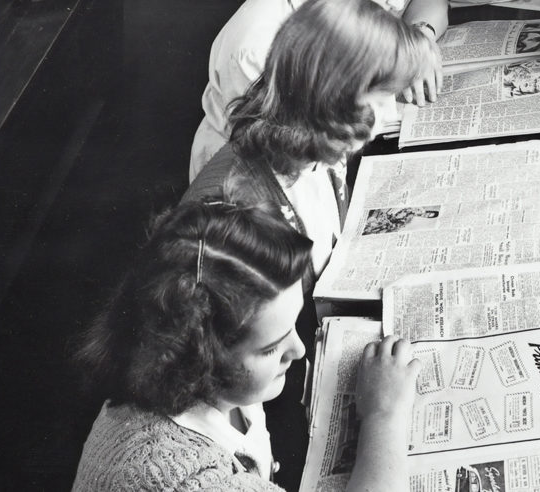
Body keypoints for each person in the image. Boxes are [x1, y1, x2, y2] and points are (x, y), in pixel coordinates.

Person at [71, 195, 421, 491]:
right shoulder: (182, 480)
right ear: (200, 360)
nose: (299, 351)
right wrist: (383, 415)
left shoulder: (176, 370)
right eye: (270, 348)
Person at [183, 0, 434, 293]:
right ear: (334, 98)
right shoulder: (247, 217)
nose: (389, 113)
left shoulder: (315, 141)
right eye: (380, 100)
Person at [189, 0, 449, 181]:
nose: (395, 1)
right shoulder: (257, 47)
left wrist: (418, 39)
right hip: (266, 174)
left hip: (328, 151)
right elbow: (288, 163)